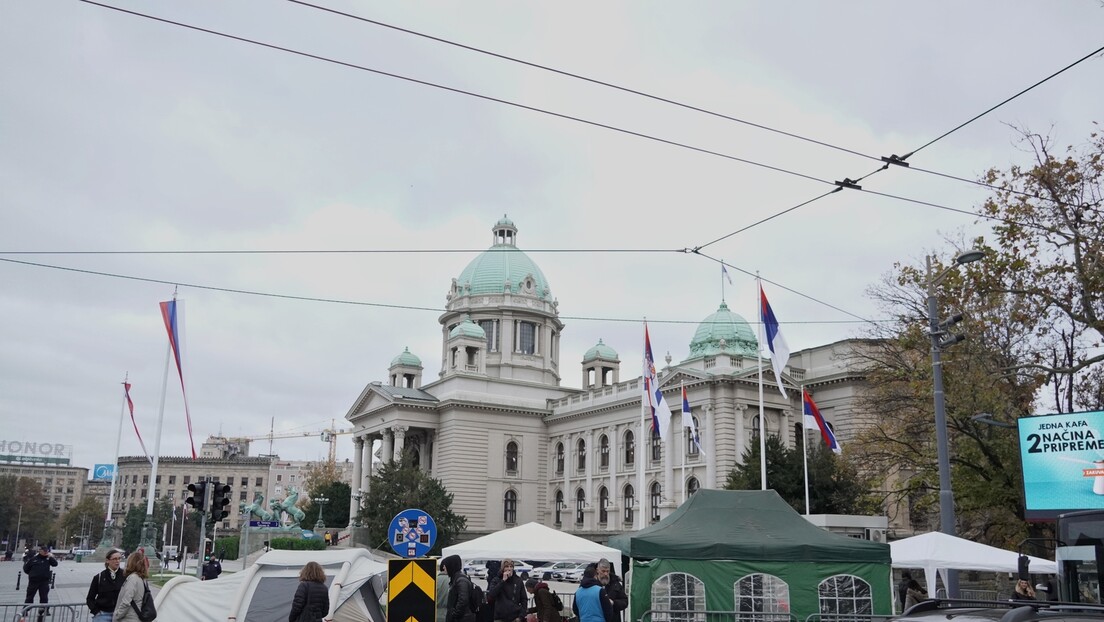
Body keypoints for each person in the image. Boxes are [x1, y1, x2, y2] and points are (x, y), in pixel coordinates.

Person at [87, 550, 127, 621]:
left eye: (119, 558)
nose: (117, 561)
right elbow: (90, 598)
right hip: (102, 615)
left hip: (120, 615)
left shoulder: (125, 576)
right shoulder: (99, 577)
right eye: (115, 559)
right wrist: (96, 612)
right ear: (107, 560)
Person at [113, 548, 152, 622]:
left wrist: (116, 616)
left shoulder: (133, 578)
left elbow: (126, 602)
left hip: (129, 618)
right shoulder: (142, 579)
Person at [23, 544, 58, 616]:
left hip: (44, 581)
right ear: (40, 551)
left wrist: (50, 557)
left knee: (44, 597)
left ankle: (44, 610)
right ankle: (26, 610)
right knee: (30, 596)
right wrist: (32, 574)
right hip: (33, 581)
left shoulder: (48, 559)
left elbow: (55, 564)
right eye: (44, 551)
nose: (45, 552)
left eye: (46, 551)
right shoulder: (33, 559)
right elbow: (26, 569)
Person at [442, 555, 476, 622]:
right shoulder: (456, 579)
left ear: (450, 566)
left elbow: (463, 600)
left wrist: (454, 614)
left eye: (445, 565)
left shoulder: (461, 580)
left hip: (462, 618)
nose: (443, 567)